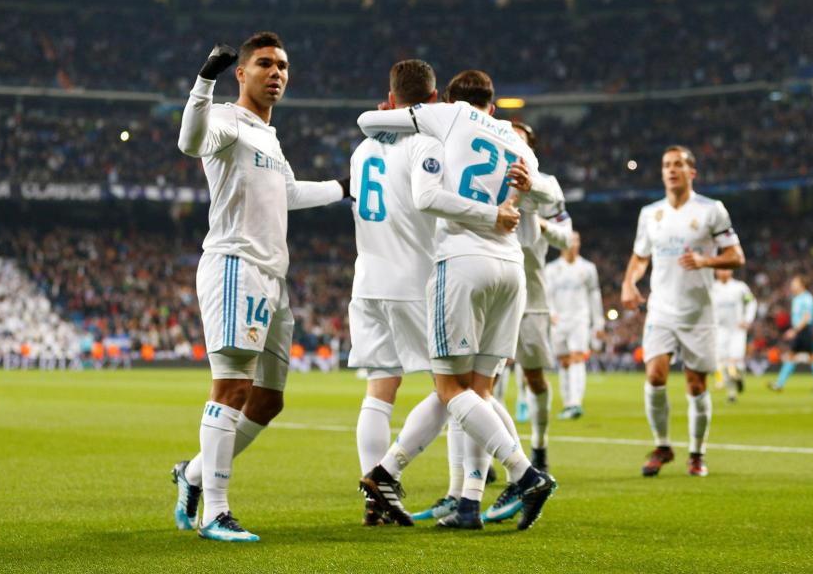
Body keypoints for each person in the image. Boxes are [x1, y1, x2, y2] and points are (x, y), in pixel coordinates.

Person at [356, 70, 558, 531]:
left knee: (451, 389)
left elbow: (371, 126)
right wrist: (531, 185)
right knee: (479, 393)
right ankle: (464, 502)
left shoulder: (448, 117)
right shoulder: (514, 138)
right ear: (495, 103)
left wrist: (402, 116)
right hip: (511, 270)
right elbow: (551, 195)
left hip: (463, 260)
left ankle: (525, 475)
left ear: (446, 98)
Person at [171, 34, 348, 542]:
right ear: (241, 73)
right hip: (236, 266)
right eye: (265, 64)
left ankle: (193, 474)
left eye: (283, 66)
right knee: (232, 387)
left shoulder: (268, 136)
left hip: (273, 277)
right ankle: (215, 513)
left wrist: (343, 187)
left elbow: (288, 192)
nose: (277, 73)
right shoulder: (227, 120)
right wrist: (204, 79)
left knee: (268, 401)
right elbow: (189, 143)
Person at [621, 145, 745, 478]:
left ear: (692, 172)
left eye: (678, 164)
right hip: (661, 309)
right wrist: (629, 282)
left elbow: (736, 256)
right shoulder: (650, 214)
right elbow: (640, 256)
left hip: (698, 312)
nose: (672, 170)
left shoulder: (711, 210)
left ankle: (697, 454)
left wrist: (706, 260)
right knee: (654, 376)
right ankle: (662, 446)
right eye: (666, 165)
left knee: (695, 384)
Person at [478, 121, 572, 524]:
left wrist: (542, 224)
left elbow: (567, 238)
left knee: (534, 378)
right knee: (485, 381)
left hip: (532, 296)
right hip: (493, 290)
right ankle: (487, 459)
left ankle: (540, 445)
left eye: (520, 139)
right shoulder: (484, 177)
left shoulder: (546, 185)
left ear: (531, 147)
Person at [545, 231, 604, 420]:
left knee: (577, 358)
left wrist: (598, 322)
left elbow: (594, 295)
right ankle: (567, 403)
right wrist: (551, 313)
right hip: (559, 321)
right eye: (570, 240)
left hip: (579, 319)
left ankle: (575, 403)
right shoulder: (551, 269)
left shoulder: (588, 268)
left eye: (576, 240)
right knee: (564, 361)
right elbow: (547, 295)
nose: (573, 244)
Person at [769, 275, 813, 394]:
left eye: (795, 282)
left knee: (811, 356)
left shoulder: (807, 298)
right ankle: (779, 384)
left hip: (805, 330)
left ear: (802, 284)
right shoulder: (796, 298)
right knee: (792, 356)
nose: (792, 284)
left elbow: (806, 317)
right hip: (799, 331)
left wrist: (794, 331)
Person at [711, 269, 757, 403]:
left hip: (737, 330)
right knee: (724, 361)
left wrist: (747, 320)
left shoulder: (740, 287)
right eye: (721, 269)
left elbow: (751, 302)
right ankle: (731, 393)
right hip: (720, 330)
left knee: (736, 362)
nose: (723, 272)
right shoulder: (712, 288)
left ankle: (739, 377)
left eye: (726, 269)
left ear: (731, 271)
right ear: (716, 271)